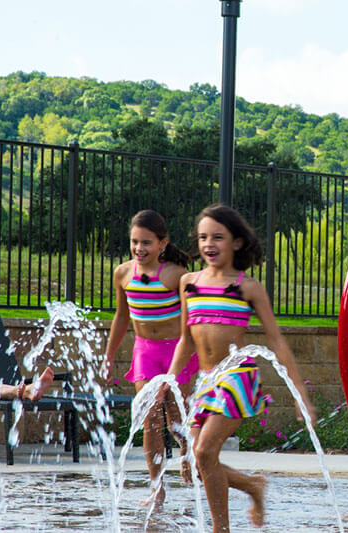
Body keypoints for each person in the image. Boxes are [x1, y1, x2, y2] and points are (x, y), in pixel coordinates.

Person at [163, 203, 316, 532]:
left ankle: (221, 529)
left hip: (236, 377)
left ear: (236, 242)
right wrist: (170, 381)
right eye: (203, 237)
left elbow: (276, 342)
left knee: (204, 452)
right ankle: (252, 486)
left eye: (218, 237)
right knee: (197, 463)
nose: (208, 244)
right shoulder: (189, 283)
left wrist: (300, 393)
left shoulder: (248, 287)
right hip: (206, 381)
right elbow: (186, 341)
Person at [103, 209, 199, 508]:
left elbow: (191, 324)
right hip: (145, 353)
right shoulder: (123, 273)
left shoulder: (175, 276)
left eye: (146, 242)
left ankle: (186, 452)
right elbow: (121, 317)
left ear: (163, 243)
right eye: (135, 242)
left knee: (176, 420)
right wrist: (108, 357)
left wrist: (175, 371)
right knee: (149, 420)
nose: (139, 249)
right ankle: (157, 489)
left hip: (176, 352)